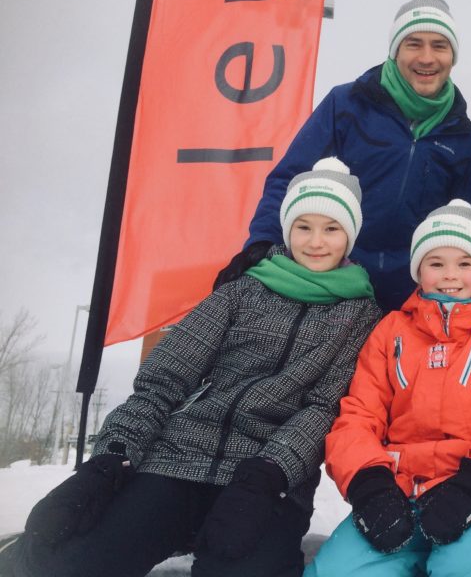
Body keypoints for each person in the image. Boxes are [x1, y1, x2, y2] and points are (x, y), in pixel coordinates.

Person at [0, 158, 381, 577]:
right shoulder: (243, 290)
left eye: (331, 229)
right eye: (304, 226)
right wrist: (112, 456)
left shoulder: (360, 315)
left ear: (350, 236)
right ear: (288, 229)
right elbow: (164, 379)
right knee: (76, 561)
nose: (316, 241)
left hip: (269, 478)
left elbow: (324, 408)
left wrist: (269, 472)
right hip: (179, 457)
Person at [305, 200, 471, 576]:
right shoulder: (391, 331)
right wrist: (369, 485)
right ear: (418, 270)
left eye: (464, 263)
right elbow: (359, 413)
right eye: (436, 263)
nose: (449, 275)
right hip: (400, 489)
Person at [216, 0, 471, 313]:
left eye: (439, 46)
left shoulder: (462, 136)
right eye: (413, 44)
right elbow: (291, 179)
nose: (427, 58)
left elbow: (460, 223)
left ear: (453, 56)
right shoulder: (347, 104)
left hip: (409, 295)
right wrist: (261, 242)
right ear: (395, 51)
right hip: (335, 282)